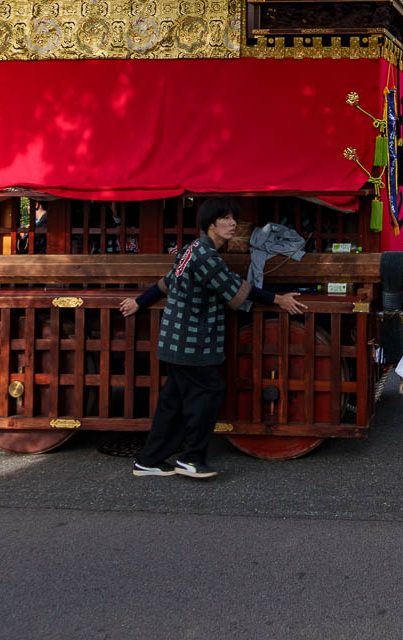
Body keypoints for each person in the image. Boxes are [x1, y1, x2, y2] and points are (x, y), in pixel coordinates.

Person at [119, 198, 305, 479]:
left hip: (175, 340)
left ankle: (149, 460)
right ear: (210, 224)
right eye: (226, 219)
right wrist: (278, 299)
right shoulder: (205, 255)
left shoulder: (191, 249)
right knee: (210, 390)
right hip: (189, 341)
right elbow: (234, 287)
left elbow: (167, 282)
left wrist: (140, 301)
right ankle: (191, 458)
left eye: (233, 218)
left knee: (172, 402)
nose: (233, 224)